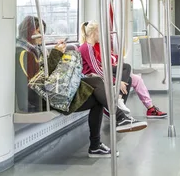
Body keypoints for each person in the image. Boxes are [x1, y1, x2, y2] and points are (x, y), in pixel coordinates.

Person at [16, 16, 147, 158]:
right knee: (97, 87)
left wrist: (57, 54)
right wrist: (56, 53)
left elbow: (48, 74)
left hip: (52, 89)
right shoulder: (24, 53)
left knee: (97, 89)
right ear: (29, 31)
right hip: (44, 96)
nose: (41, 34)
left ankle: (102, 139)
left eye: (43, 30)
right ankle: (118, 119)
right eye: (38, 30)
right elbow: (38, 81)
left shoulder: (36, 50)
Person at [79, 21, 167, 119]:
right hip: (93, 77)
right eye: (100, 32)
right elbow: (96, 69)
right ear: (93, 33)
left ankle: (119, 105)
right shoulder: (88, 47)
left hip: (100, 72)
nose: (102, 35)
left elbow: (101, 63)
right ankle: (118, 103)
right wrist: (116, 81)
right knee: (127, 72)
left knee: (128, 75)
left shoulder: (94, 46)